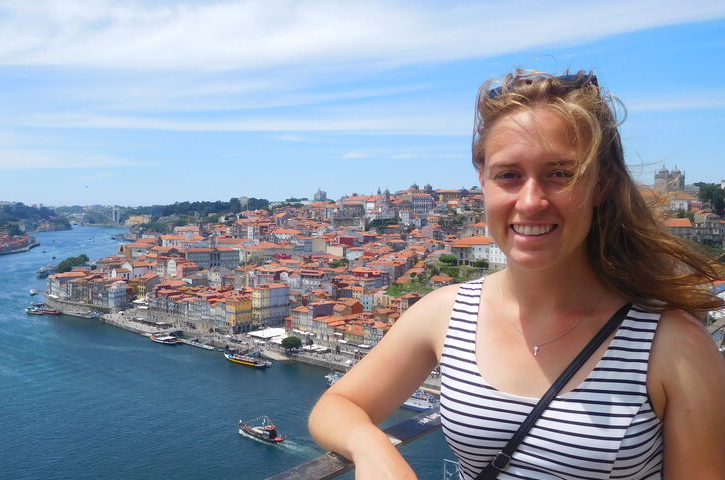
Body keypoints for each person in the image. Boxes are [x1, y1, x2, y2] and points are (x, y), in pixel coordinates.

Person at [308, 70, 725, 479]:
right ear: (483, 183)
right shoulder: (446, 314)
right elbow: (337, 406)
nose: (530, 202)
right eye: (509, 175)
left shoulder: (673, 344)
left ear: (601, 185)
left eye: (560, 174)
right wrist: (373, 448)